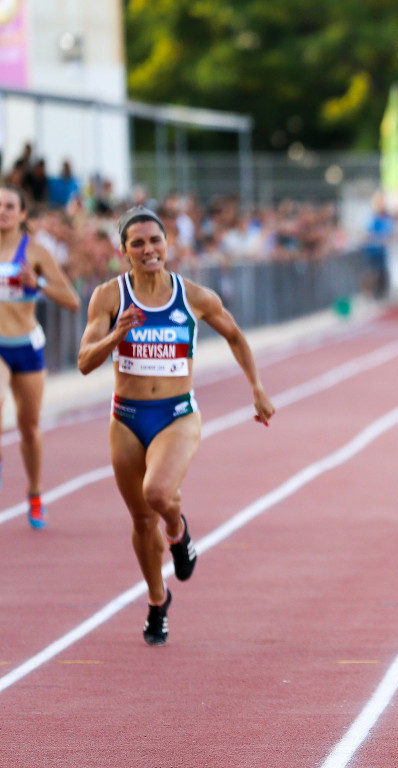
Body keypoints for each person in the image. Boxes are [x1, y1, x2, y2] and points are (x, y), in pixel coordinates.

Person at [77, 207, 275, 646]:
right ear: (123, 251)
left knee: (158, 494)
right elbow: (84, 362)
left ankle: (180, 533)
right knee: (140, 520)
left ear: (168, 244)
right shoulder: (110, 297)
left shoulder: (194, 297)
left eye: (155, 240)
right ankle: (156, 601)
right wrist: (116, 336)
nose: (148, 249)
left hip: (176, 415)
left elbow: (236, 336)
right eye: (138, 243)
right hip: (126, 419)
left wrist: (257, 388)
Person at [0, 186, 82, 528]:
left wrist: (40, 282)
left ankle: (34, 492)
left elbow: (72, 299)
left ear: (22, 215)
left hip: (27, 346)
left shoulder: (34, 251)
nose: (2, 211)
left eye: (9, 206)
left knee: (29, 429)